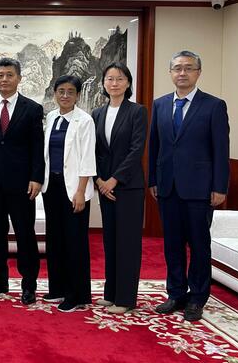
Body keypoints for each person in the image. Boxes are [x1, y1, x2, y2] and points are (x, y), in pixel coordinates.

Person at [149, 50, 230, 322]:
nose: (182, 73)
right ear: (170, 73)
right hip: (167, 187)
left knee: (199, 245)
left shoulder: (214, 106)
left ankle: (197, 298)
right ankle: (175, 294)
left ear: (198, 72)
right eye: (177, 68)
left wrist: (220, 187)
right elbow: (155, 146)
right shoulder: (160, 105)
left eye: (188, 68)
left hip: (200, 189)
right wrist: (153, 180)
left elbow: (221, 150)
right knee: (172, 244)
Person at [0, 57, 44, 305]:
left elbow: (37, 147)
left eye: (9, 75)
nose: (4, 79)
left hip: (23, 185)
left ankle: (29, 285)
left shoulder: (32, 108)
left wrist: (36, 178)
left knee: (25, 234)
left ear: (19, 78)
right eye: (0, 75)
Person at [91, 63, 147, 314]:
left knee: (127, 243)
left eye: (120, 79)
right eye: (110, 79)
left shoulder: (137, 112)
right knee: (111, 241)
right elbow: (94, 151)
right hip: (105, 187)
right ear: (104, 83)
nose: (114, 83)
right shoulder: (97, 113)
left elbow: (136, 150)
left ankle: (125, 299)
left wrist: (114, 180)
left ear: (128, 83)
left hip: (128, 187)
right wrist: (99, 181)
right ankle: (111, 293)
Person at [41, 75, 97, 312]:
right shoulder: (52, 117)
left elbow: (87, 159)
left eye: (70, 92)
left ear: (77, 95)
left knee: (75, 242)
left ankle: (76, 294)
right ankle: (57, 288)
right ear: (55, 93)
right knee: (55, 240)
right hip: (51, 187)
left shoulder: (85, 120)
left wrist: (81, 191)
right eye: (61, 91)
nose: (65, 95)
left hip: (74, 188)